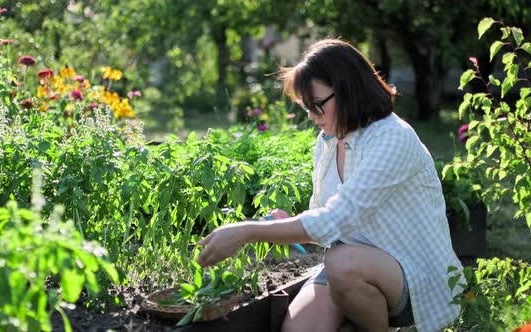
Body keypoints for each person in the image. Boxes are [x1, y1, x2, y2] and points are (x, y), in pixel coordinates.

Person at [196, 38, 464, 332]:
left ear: (348, 90)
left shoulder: (390, 137)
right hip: (353, 270)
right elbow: (326, 225)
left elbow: (334, 219)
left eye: (316, 105)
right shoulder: (328, 142)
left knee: (341, 263)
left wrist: (246, 231)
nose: (311, 116)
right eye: (304, 106)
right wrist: (288, 226)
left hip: (413, 275)